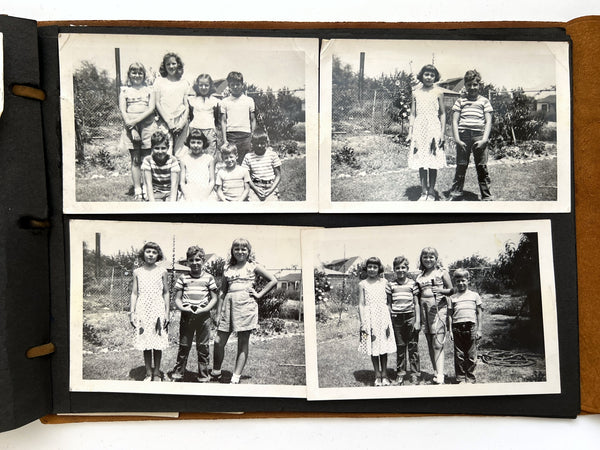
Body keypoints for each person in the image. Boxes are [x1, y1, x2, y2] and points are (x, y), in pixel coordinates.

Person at [212, 238, 277, 384]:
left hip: (246, 305)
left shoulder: (252, 266)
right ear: (232, 251)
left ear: (248, 251)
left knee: (242, 342)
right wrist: (218, 312)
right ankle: (216, 371)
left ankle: (235, 376)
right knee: (218, 341)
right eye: (237, 249)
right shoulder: (227, 268)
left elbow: (273, 280)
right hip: (228, 305)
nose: (240, 252)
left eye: (243, 249)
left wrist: (259, 294)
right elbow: (222, 291)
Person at [168, 246, 218, 382]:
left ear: (203, 261)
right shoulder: (183, 278)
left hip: (203, 316)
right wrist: (184, 308)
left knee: (203, 347)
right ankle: (178, 373)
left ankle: (203, 375)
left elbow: (214, 298)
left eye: (198, 259)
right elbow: (177, 299)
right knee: (184, 346)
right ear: (187, 262)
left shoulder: (209, 278)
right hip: (187, 316)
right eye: (191, 260)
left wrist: (205, 309)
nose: (195, 263)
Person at [449, 69, 494, 201]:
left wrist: (484, 140)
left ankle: (486, 196)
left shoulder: (484, 101)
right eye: (469, 85)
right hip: (463, 137)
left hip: (479, 136)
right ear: (465, 86)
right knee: (461, 165)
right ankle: (456, 193)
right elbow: (454, 121)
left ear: (479, 85)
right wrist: (457, 139)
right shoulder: (460, 101)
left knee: (482, 167)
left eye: (475, 84)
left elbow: (488, 121)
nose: (472, 87)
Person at [129, 242, 170, 382]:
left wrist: (167, 313)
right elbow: (134, 293)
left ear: (158, 255)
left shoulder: (162, 271)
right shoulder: (137, 272)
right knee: (146, 340)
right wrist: (132, 312)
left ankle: (157, 372)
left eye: (154, 252)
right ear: (143, 253)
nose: (151, 254)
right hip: (142, 309)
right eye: (148, 251)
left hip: (158, 308)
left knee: (157, 340)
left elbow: (166, 293)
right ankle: (148, 372)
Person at [118, 62, 157, 201]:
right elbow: (123, 110)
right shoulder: (124, 91)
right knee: (135, 159)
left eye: (140, 73)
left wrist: (136, 122)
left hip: (147, 126)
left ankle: (147, 187)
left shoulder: (150, 90)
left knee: (147, 159)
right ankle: (137, 189)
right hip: (131, 128)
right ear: (129, 75)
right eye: (134, 72)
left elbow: (151, 108)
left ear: (144, 75)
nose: (137, 75)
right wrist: (132, 127)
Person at [408, 64, 446, 201]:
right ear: (421, 76)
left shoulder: (438, 92)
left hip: (433, 129)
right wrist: (410, 131)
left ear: (435, 77)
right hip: (419, 129)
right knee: (421, 160)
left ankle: (431, 192)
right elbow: (412, 113)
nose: (429, 77)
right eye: (426, 74)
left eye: (432, 75)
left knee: (432, 161)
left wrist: (442, 133)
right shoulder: (415, 92)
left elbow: (442, 114)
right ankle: (423, 191)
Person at [415, 247, 453, 384]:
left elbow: (452, 290)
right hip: (425, 310)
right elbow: (418, 296)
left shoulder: (442, 272)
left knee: (438, 343)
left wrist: (441, 290)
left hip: (438, 309)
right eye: (425, 257)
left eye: (431, 257)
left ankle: (441, 375)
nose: (428, 259)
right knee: (431, 343)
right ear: (421, 259)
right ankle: (436, 372)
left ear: (436, 259)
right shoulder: (420, 276)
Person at [358, 257, 396, 386]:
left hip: (383, 317)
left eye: (375, 267)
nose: (372, 269)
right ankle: (377, 375)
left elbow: (390, 301)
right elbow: (361, 304)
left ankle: (384, 374)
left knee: (383, 346)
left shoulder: (384, 282)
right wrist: (363, 321)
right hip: (370, 318)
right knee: (373, 346)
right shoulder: (362, 284)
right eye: (370, 267)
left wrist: (389, 316)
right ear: (366, 268)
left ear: (379, 268)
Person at [386, 256, 421, 385]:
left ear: (407, 268)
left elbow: (417, 304)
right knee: (400, 347)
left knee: (413, 346)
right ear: (394, 269)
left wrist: (417, 321)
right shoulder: (391, 285)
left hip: (410, 316)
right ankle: (400, 373)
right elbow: (389, 305)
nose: (400, 270)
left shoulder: (413, 283)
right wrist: (390, 321)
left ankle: (414, 374)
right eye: (398, 268)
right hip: (397, 319)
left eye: (403, 267)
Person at [448, 268, 483, 384]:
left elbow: (479, 312)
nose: (461, 283)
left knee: (472, 355)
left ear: (468, 280)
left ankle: (470, 378)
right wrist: (450, 331)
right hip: (457, 328)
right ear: (455, 282)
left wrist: (479, 330)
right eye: (458, 281)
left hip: (471, 327)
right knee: (459, 355)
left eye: (463, 280)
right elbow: (449, 315)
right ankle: (460, 378)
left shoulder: (474, 295)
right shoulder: (453, 298)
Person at [154, 52, 190, 157]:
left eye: (173, 63)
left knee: (181, 154)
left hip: (181, 121)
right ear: (164, 66)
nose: (171, 66)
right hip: (164, 121)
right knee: (165, 152)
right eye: (168, 64)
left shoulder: (184, 83)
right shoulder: (159, 81)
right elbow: (157, 103)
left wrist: (182, 123)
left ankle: (179, 174)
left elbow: (187, 105)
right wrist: (168, 122)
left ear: (178, 65)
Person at [220, 71, 256, 163]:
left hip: (246, 135)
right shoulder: (224, 101)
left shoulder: (249, 100)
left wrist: (252, 136)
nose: (235, 87)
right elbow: (223, 121)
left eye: (237, 84)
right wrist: (225, 140)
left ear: (242, 85)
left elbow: (253, 120)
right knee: (232, 161)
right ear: (229, 86)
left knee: (247, 161)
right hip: (231, 135)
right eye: (232, 85)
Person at [188, 74, 220, 160]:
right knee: (194, 155)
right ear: (197, 86)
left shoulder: (215, 101)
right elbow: (191, 115)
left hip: (209, 130)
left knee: (210, 156)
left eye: (206, 85)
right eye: (201, 85)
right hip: (195, 129)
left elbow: (216, 118)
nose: (203, 87)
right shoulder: (192, 100)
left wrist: (213, 129)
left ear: (210, 86)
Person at [141, 131, 181, 202]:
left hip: (170, 192)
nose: (160, 151)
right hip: (155, 192)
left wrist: (172, 203)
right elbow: (148, 184)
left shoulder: (173, 160)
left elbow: (174, 184)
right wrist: (152, 203)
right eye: (157, 148)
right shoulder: (147, 160)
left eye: (163, 148)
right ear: (152, 148)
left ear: (168, 148)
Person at [179, 129, 216, 201]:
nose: (196, 145)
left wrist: (205, 195)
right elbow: (182, 182)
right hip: (189, 191)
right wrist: (187, 195)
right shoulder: (184, 159)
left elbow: (212, 181)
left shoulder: (209, 159)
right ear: (188, 143)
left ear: (203, 144)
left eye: (199, 143)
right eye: (193, 142)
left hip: (206, 191)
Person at [242, 134, 282, 202]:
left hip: (270, 186)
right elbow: (246, 177)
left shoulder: (272, 155)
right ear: (252, 143)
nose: (259, 146)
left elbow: (278, 176)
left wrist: (270, 190)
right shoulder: (248, 156)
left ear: (267, 143)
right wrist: (256, 189)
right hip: (255, 186)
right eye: (257, 143)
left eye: (262, 143)